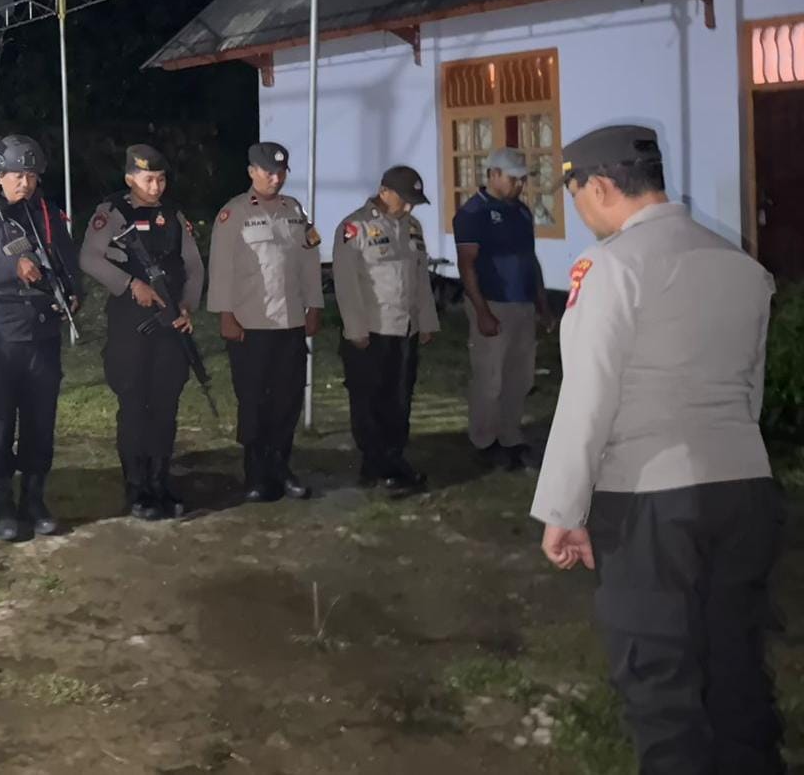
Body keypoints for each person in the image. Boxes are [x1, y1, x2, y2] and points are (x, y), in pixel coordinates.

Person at [532, 124, 783, 775]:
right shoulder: (740, 265)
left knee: (661, 682)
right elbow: (749, 388)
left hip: (650, 500)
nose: (580, 212)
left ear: (600, 186)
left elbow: (588, 396)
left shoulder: (612, 267)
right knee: (735, 667)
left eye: (575, 195)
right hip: (745, 489)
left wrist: (563, 509)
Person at [0, 134, 82, 541]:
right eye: (15, 175)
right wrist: (12, 268)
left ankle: (33, 498)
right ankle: (2, 505)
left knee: (40, 421)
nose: (24, 183)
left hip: (43, 334)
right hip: (1, 337)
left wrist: (74, 292)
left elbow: (68, 259)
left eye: (30, 175)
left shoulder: (47, 212)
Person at [79, 144, 204, 519]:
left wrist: (187, 306)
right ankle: (137, 489)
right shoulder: (112, 213)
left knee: (166, 404)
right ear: (130, 178)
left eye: (161, 179)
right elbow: (88, 258)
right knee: (134, 405)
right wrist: (129, 284)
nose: (156, 186)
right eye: (149, 179)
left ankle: (160, 481)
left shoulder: (174, 215)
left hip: (170, 321)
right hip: (130, 323)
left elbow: (194, 266)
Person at [208, 142, 323, 502]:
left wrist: (315, 306)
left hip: (290, 322)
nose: (276, 178)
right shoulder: (234, 213)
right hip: (251, 324)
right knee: (255, 401)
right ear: (251, 172)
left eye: (281, 172)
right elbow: (221, 268)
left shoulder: (295, 211)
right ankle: (256, 474)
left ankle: (281, 467)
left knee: (288, 400)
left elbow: (309, 262)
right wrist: (226, 315)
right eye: (269, 172)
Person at [332, 165, 439, 496]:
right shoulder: (355, 227)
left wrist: (427, 321)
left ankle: (392, 458)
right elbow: (346, 284)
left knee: (400, 398)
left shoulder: (413, 228)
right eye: (404, 199)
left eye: (413, 202)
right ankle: (377, 463)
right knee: (369, 400)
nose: (408, 207)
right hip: (372, 330)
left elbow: (421, 278)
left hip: (404, 329)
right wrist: (355, 329)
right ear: (384, 192)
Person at [452, 147, 552, 470]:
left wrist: (542, 302)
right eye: (514, 179)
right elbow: (467, 264)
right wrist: (481, 311)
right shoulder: (473, 213)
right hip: (492, 302)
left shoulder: (521, 212)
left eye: (523, 179)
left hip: (522, 303)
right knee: (490, 377)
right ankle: (484, 440)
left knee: (519, 377)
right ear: (493, 175)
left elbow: (530, 258)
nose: (520, 185)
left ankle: (510, 436)